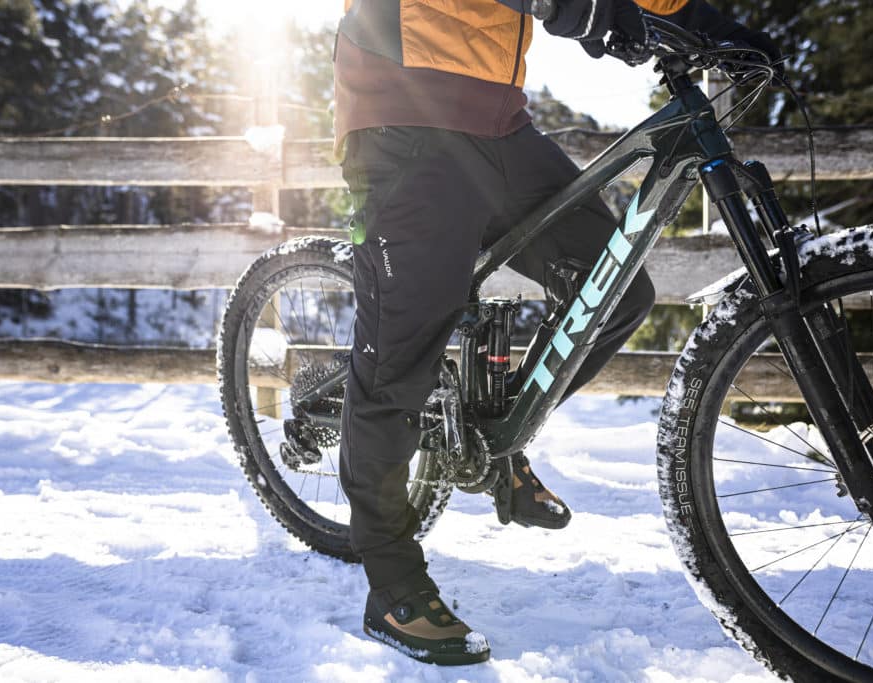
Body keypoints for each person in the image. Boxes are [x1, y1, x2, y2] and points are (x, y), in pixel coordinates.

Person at [333, 0, 780, 665]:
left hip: (498, 123)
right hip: (404, 114)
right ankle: (391, 584)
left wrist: (698, 18)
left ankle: (498, 432)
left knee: (618, 290)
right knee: (400, 362)